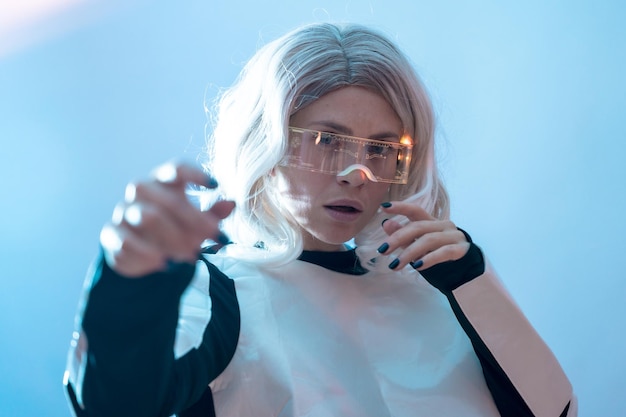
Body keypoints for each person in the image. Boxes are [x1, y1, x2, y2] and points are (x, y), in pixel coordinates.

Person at [64, 22, 576, 417]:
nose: (357, 173)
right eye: (326, 140)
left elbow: (555, 409)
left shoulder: (441, 282)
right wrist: (130, 282)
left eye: (380, 148)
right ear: (264, 143)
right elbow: (117, 403)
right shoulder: (221, 291)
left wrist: (473, 282)